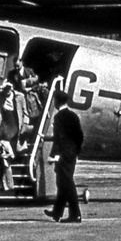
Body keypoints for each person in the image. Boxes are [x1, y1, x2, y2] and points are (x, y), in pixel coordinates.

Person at [44, 91, 84, 223]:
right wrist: (75, 152)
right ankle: (57, 211)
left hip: (63, 155)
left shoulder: (59, 117)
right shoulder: (73, 116)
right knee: (62, 183)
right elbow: (79, 136)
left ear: (56, 101)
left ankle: (75, 214)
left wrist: (54, 155)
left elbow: (59, 139)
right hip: (72, 154)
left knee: (67, 183)